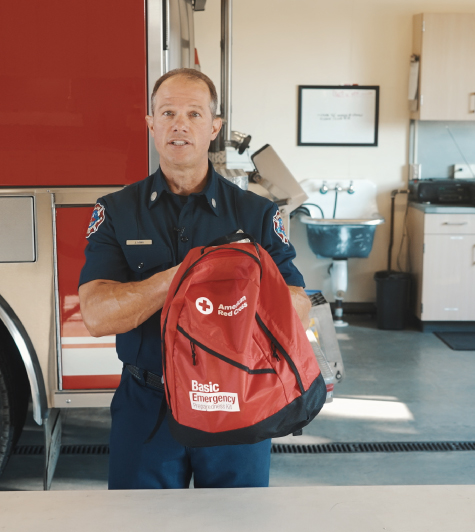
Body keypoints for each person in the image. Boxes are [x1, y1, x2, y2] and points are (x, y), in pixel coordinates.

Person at [78, 68, 311, 489]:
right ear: (151, 124)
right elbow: (97, 316)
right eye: (166, 113)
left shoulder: (257, 215)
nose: (179, 124)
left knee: (234, 523)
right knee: (140, 523)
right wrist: (191, 273)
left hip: (238, 399)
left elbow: (299, 308)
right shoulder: (116, 211)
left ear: (214, 128)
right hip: (148, 405)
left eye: (193, 113)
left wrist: (244, 278)